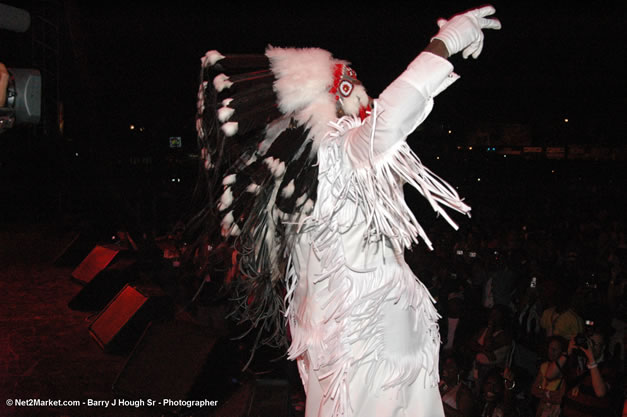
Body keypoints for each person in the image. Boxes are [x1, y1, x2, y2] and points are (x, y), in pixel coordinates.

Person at [195, 5, 500, 417]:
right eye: (352, 84)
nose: (366, 94)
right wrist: (444, 45)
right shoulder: (337, 154)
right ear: (331, 102)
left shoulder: (307, 176)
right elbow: (390, 121)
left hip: (350, 347)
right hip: (371, 349)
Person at [546, 327, 619, 417]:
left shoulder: (609, 367)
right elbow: (549, 375)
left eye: (594, 344)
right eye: (589, 342)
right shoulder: (576, 360)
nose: (591, 346)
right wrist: (567, 353)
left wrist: (591, 360)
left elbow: (600, 392)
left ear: (603, 347)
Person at [530, 336, 567, 417]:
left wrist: (545, 394)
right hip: (542, 409)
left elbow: (561, 397)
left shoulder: (566, 371)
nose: (551, 352)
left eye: (555, 350)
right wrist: (547, 394)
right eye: (550, 348)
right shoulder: (544, 366)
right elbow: (534, 389)